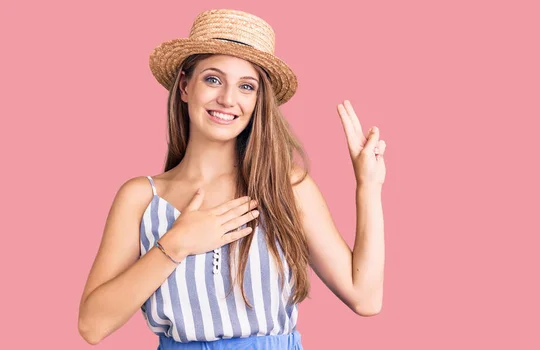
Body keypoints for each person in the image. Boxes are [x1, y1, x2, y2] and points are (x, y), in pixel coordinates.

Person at [78, 8, 386, 349]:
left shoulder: (285, 187)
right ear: (184, 86)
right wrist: (177, 244)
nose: (227, 99)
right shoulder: (141, 198)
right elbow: (92, 325)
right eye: (213, 79)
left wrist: (368, 187)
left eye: (246, 86)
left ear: (258, 100)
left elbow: (365, 298)